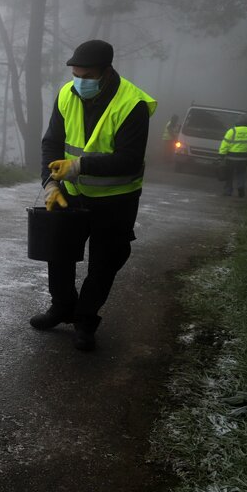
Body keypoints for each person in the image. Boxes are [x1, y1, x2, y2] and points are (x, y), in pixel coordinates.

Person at [29, 39, 156, 351]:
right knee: (57, 252)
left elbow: (128, 158)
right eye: (75, 74)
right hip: (70, 193)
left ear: (106, 72)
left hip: (116, 200)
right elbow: (51, 143)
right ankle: (62, 307)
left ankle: (85, 319)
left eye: (86, 76)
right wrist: (50, 183)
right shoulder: (65, 94)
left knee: (105, 262)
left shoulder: (132, 104)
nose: (79, 81)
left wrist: (79, 166)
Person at [218, 115, 247, 197]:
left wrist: (221, 155)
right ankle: (240, 187)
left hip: (231, 157)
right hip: (245, 158)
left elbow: (225, 144)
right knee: (241, 173)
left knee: (229, 174)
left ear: (238, 122)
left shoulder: (232, 131)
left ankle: (228, 191)